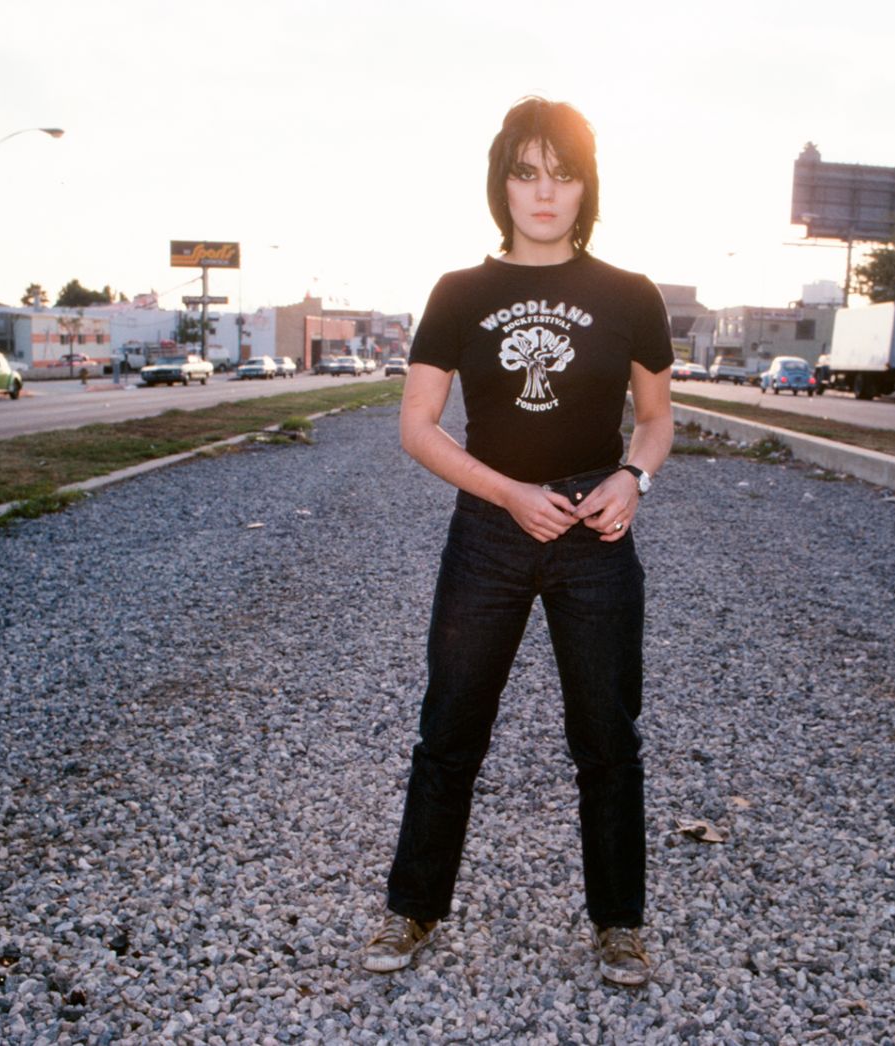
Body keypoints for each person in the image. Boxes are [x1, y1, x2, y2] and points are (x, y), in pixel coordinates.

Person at [361, 96, 673, 987]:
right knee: (450, 730)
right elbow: (418, 428)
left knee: (607, 739)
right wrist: (508, 494)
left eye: (563, 173)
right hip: (491, 531)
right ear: (503, 181)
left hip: (594, 534)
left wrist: (632, 480)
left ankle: (619, 925)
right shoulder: (459, 293)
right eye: (528, 172)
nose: (545, 192)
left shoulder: (629, 295)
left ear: (587, 186)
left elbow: (655, 421)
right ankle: (412, 910)